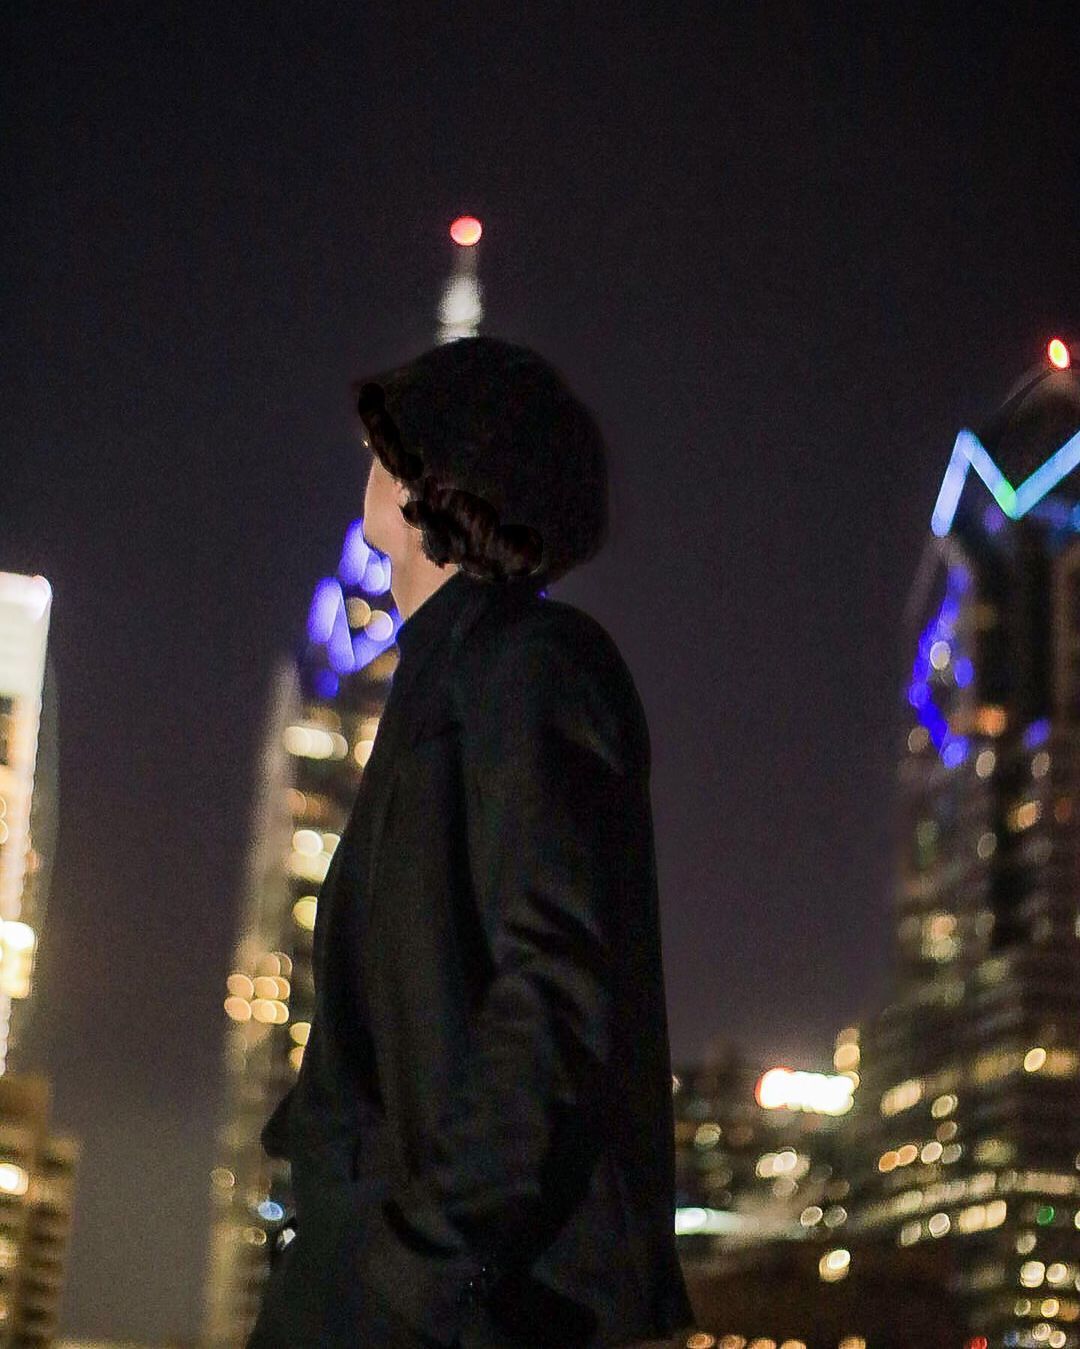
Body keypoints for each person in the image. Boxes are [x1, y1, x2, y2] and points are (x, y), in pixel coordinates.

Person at [247, 335, 694, 1348]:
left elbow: (554, 996)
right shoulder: (442, 682)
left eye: (387, 448)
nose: (368, 464)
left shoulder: (535, 666)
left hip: (434, 1299)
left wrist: (425, 1271)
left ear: (430, 485)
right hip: (363, 1268)